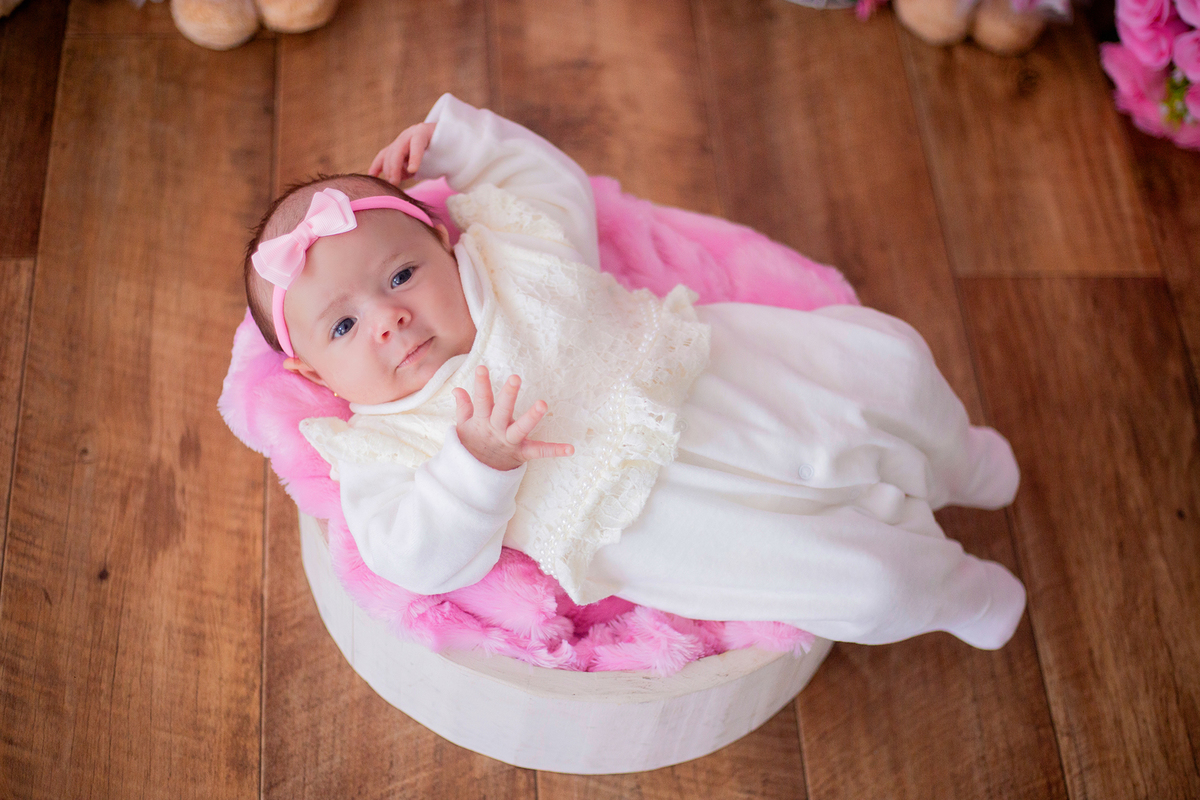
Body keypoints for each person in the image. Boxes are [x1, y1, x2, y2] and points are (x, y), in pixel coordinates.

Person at [243, 93, 1026, 649]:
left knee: (887, 361)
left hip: (715, 380)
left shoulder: (511, 258)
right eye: (345, 325)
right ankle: (959, 592)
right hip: (664, 527)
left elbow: (549, 183)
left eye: (401, 275)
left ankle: (960, 458)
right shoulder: (385, 450)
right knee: (864, 583)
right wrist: (473, 470)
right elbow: (413, 558)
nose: (388, 318)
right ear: (316, 374)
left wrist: (458, 146)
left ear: (445, 246)